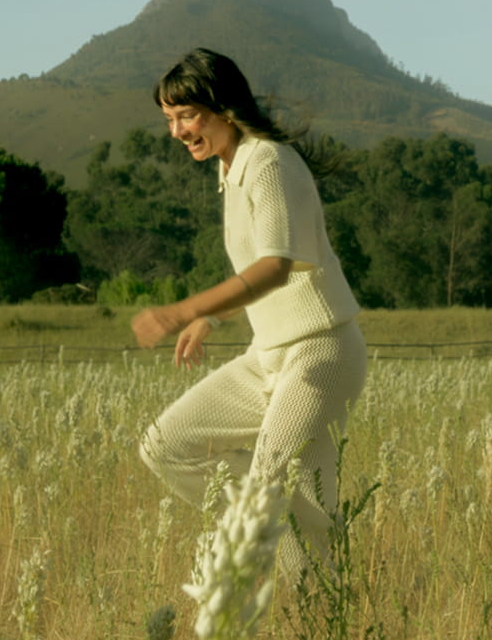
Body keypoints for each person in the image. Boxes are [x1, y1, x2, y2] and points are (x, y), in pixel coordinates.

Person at [127, 49, 367, 572]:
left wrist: (179, 310)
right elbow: (260, 268)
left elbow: (276, 266)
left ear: (224, 107)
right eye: (169, 120)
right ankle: (288, 549)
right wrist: (212, 318)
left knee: (271, 488)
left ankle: (316, 591)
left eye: (186, 115)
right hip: (270, 354)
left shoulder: (269, 161)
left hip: (320, 351)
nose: (176, 131)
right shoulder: (230, 167)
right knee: (166, 445)